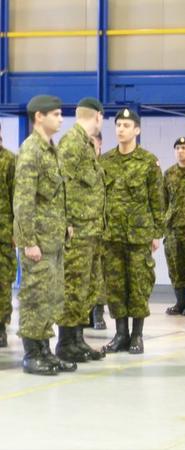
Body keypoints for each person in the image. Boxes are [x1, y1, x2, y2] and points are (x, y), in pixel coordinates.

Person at [14, 95, 76, 375]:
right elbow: (23, 200)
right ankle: (32, 354)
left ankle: (46, 351)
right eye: (56, 114)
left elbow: (55, 196)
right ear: (39, 116)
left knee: (51, 297)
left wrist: (66, 225)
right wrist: (28, 241)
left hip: (54, 240)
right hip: (38, 241)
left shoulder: (52, 150)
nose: (61, 119)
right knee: (35, 296)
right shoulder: (31, 150)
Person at [100, 108, 164, 355]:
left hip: (139, 235)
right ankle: (120, 334)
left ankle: (137, 335)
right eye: (118, 125)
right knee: (115, 285)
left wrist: (157, 232)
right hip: (111, 235)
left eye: (127, 125)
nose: (121, 129)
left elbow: (157, 199)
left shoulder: (148, 161)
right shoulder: (105, 161)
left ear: (137, 129)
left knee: (138, 284)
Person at [55, 97, 106, 363]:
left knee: (87, 287)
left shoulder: (85, 145)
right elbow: (59, 186)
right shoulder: (72, 143)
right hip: (77, 230)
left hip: (92, 229)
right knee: (73, 286)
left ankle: (77, 340)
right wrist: (67, 223)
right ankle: (65, 343)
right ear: (97, 116)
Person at [164, 137, 185, 316]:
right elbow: (163, 200)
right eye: (177, 148)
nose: (180, 151)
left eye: (184, 147)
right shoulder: (169, 173)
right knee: (175, 265)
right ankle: (180, 301)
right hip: (173, 226)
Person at [88, 131, 107, 330]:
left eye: (92, 141)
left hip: (104, 229)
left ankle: (98, 314)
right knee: (85, 272)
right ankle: (86, 313)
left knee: (101, 274)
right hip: (84, 229)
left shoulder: (107, 165)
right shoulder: (80, 166)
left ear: (99, 143)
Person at [0, 124, 16, 348]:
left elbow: (17, 199)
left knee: (3, 282)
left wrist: (16, 232)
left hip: (3, 234)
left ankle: (1, 326)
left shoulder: (10, 161)